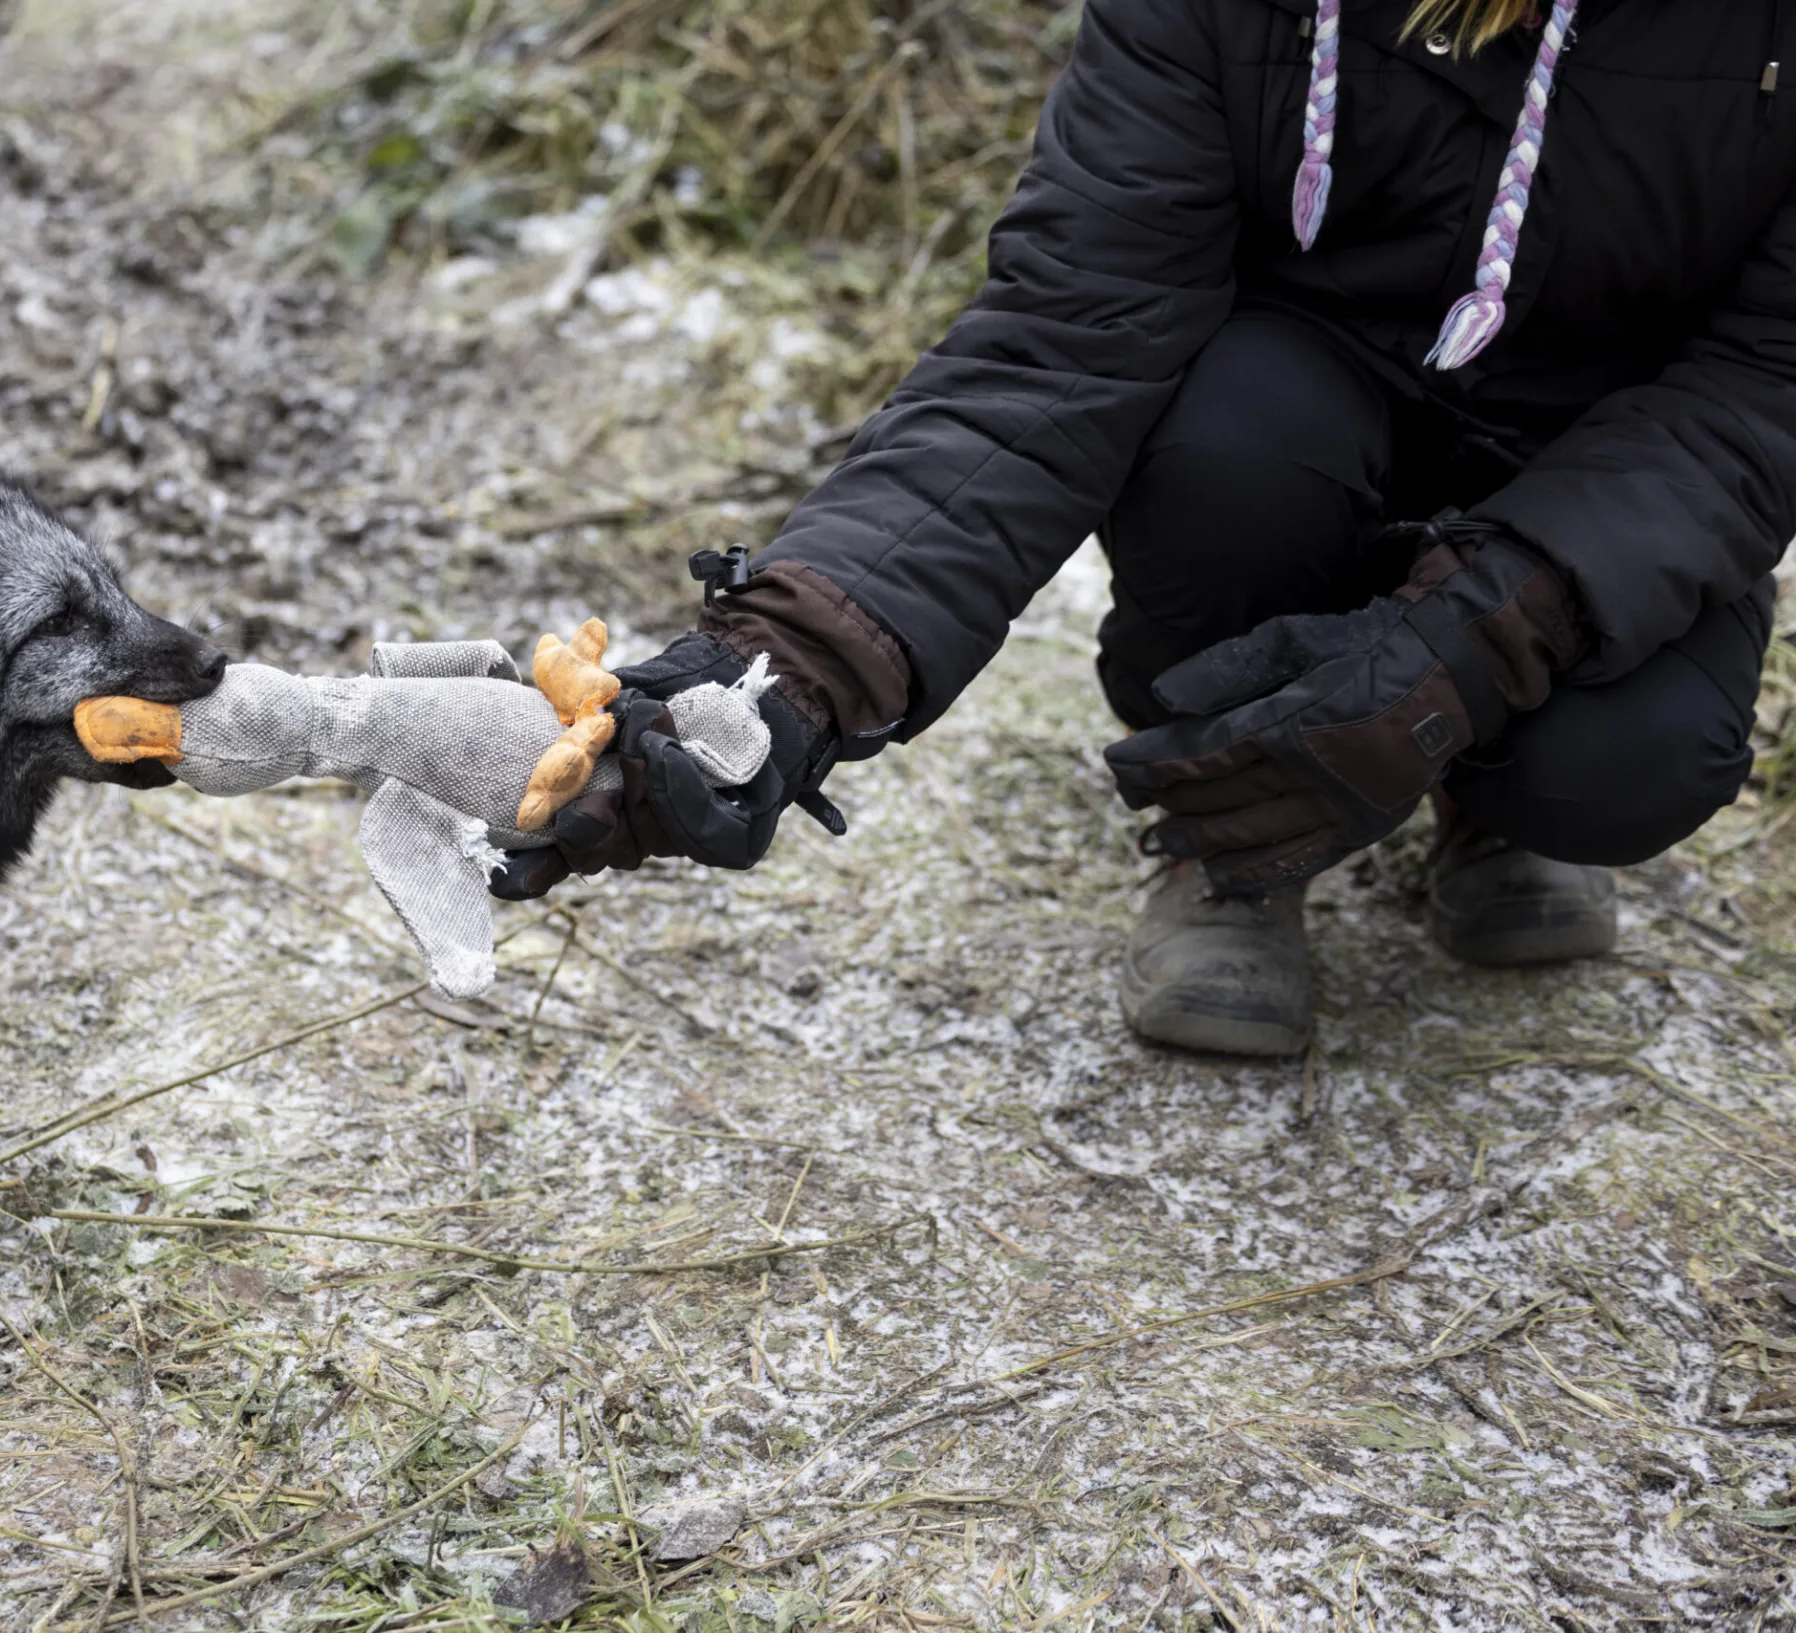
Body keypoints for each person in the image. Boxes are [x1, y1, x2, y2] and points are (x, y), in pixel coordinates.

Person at [495, 0, 1789, 1057]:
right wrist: (786, 670)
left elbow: (1769, 380)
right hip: (1294, 416)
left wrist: (1483, 638)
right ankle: (1231, 839)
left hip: (1612, 450)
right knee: (1227, 445)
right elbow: (1061, 346)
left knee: (1629, 761)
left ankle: (1478, 792)